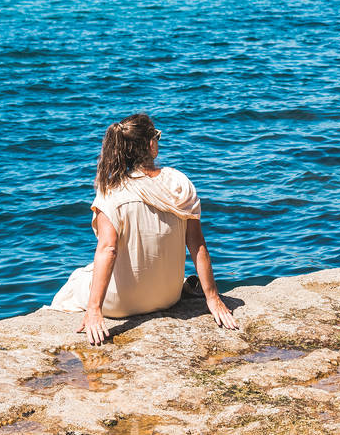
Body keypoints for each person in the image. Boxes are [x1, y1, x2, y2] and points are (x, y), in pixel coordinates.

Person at [48, 113, 238, 346]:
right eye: (157, 136)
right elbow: (196, 244)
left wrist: (94, 310)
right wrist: (213, 298)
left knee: (77, 279)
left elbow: (108, 250)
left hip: (120, 305)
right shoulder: (179, 182)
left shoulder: (111, 191)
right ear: (151, 145)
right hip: (169, 296)